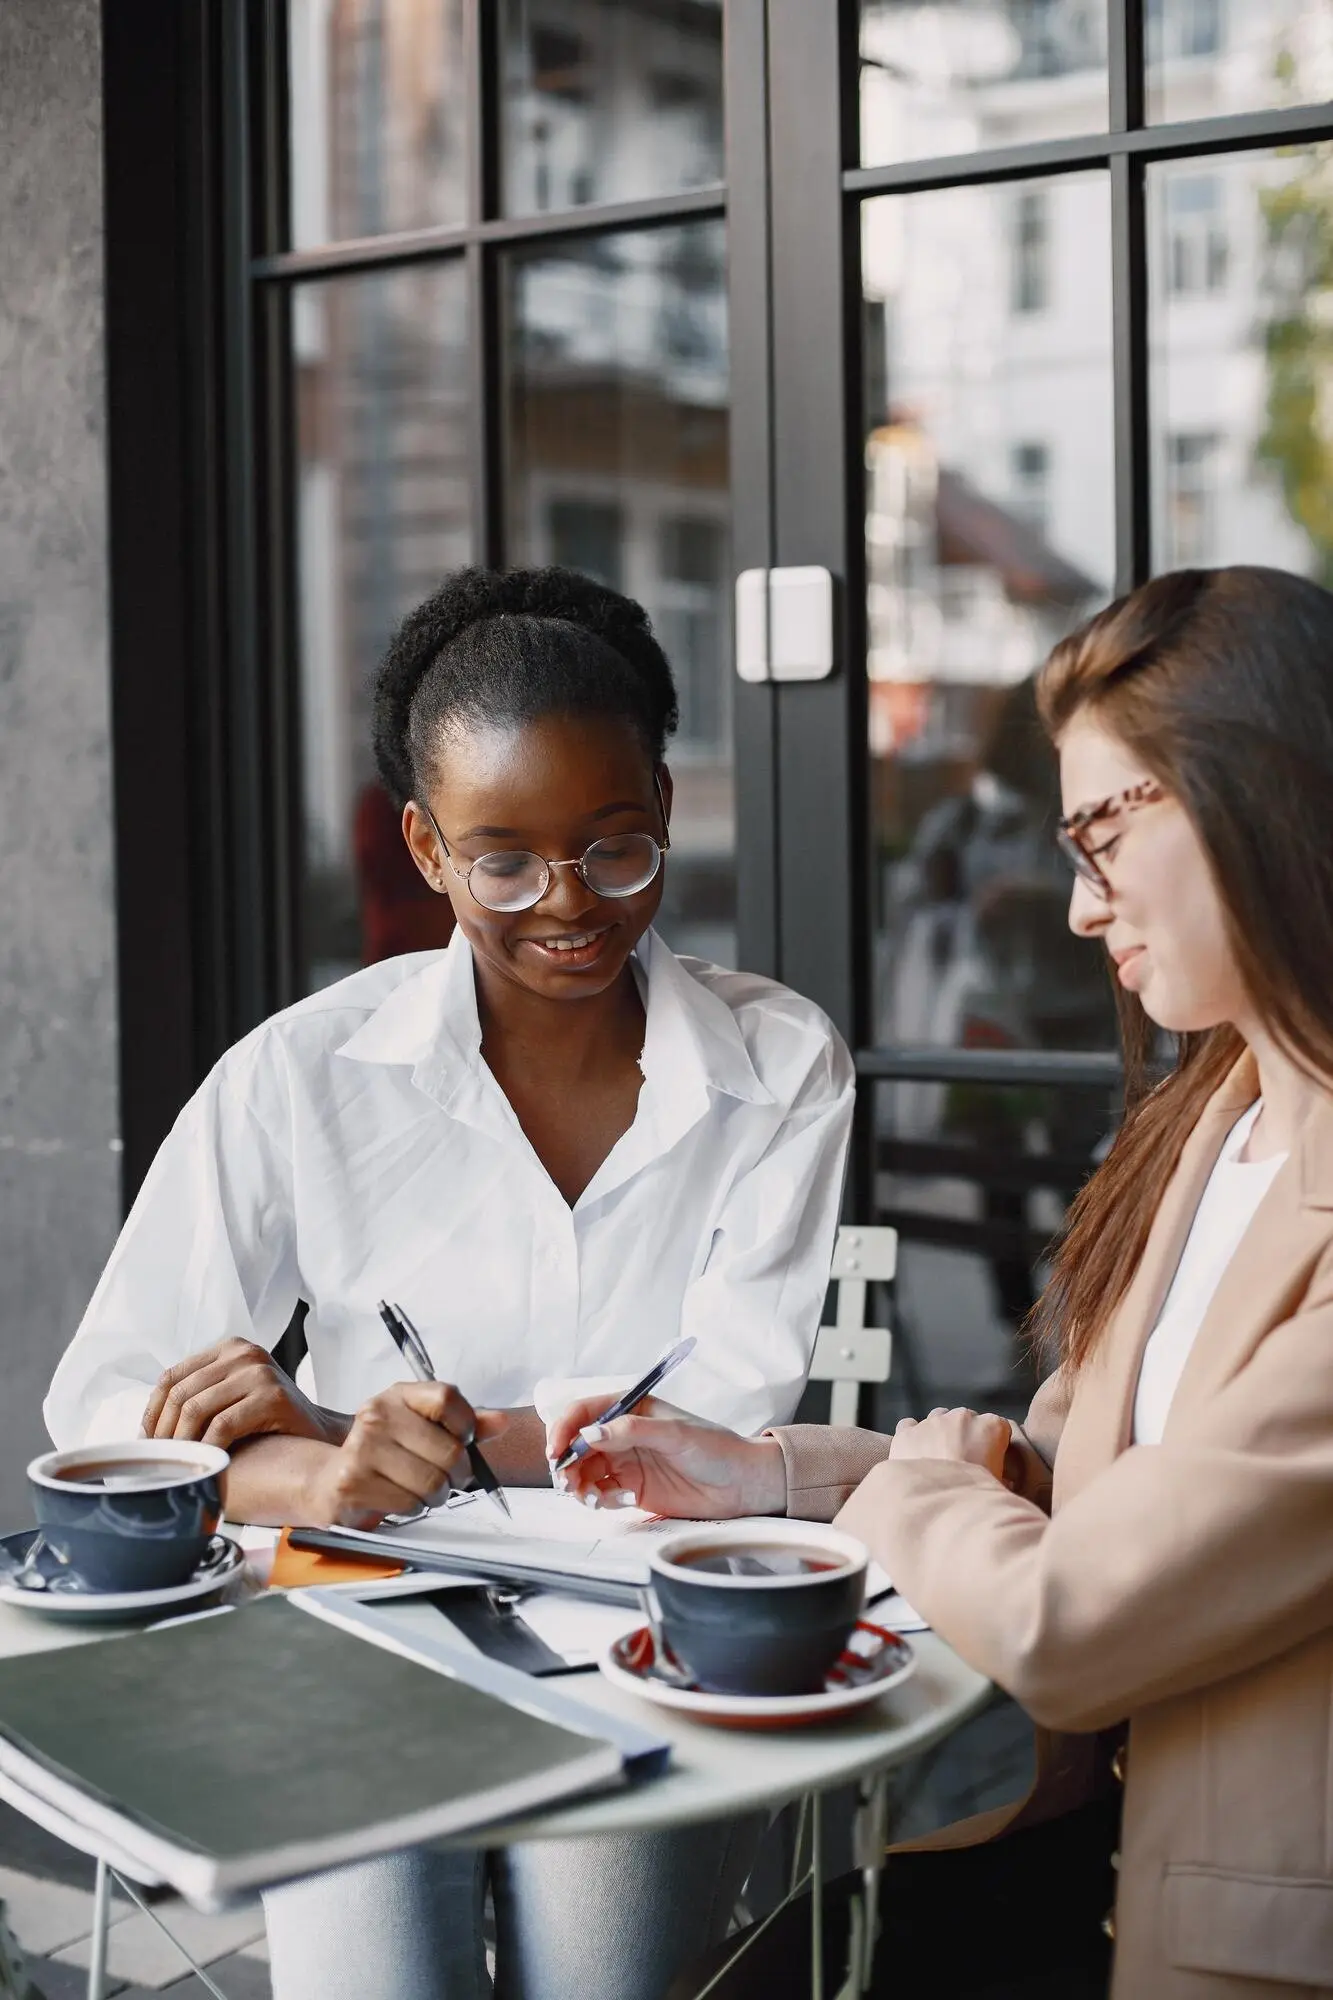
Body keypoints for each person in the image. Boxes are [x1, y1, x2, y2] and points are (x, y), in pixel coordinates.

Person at [44, 564, 855, 2000]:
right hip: (353, 1625)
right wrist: (321, 1480)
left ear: (666, 805)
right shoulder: (298, 1079)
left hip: (637, 1634)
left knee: (604, 1964)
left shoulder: (778, 1064)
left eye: (612, 849)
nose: (567, 907)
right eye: (502, 860)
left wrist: (378, 1433)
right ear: (424, 846)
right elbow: (107, 1408)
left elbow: (713, 1432)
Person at [550, 566, 1333, 2000]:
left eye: (1103, 837)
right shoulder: (1218, 1121)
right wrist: (771, 1477)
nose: (1084, 911)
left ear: (1258, 799)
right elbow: (1065, 1474)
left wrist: (914, 1491)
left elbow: (1071, 1615)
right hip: (1080, 1866)